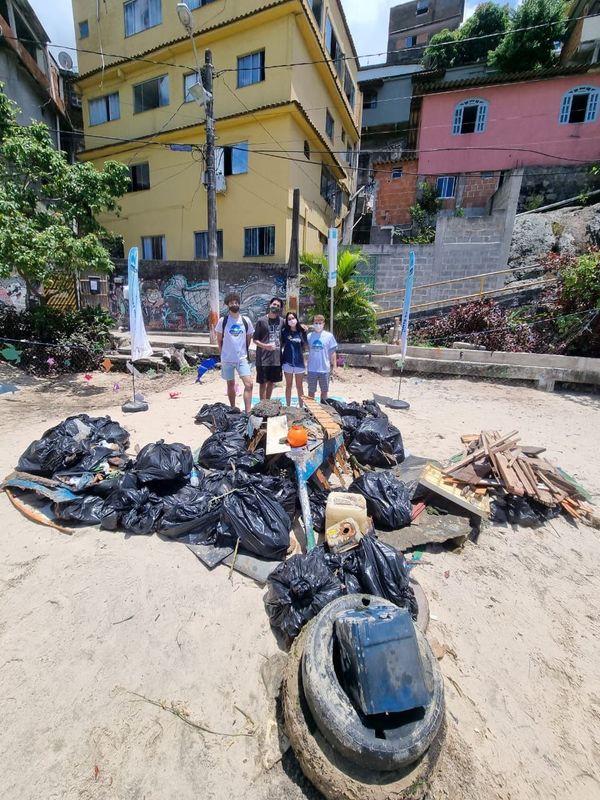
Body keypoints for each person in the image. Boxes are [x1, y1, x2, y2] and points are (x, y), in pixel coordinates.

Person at [215, 292, 254, 413]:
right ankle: (233, 408)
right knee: (230, 385)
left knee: (249, 384)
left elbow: (248, 338)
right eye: (232, 302)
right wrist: (223, 354)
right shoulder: (223, 321)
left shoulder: (245, 320)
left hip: (242, 359)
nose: (234, 304)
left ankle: (247, 412)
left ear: (239, 304)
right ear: (228, 305)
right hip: (227, 359)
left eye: (236, 302)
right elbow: (219, 339)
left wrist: (243, 351)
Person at [253, 297, 284, 400]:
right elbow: (255, 340)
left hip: (276, 359)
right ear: (270, 305)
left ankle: (268, 403)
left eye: (278, 306)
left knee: (271, 382)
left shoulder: (282, 321)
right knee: (263, 383)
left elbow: (293, 327)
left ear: (280, 309)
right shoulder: (261, 321)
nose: (275, 307)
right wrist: (265, 346)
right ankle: (262, 406)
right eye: (274, 304)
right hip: (263, 359)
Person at [307, 314, 338, 402]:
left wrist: (334, 366)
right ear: (313, 323)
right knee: (311, 391)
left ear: (323, 324)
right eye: (316, 323)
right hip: (312, 369)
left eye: (320, 323)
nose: (318, 325)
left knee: (324, 391)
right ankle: (311, 410)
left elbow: (333, 352)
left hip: (324, 369)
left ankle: (324, 408)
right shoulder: (309, 336)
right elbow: (306, 350)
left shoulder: (329, 336)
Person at [281, 311, 308, 407]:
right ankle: (288, 406)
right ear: (286, 321)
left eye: (293, 318)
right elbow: (281, 344)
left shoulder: (302, 332)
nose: (291, 320)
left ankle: (301, 407)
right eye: (289, 319)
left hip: (299, 363)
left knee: (299, 386)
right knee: (288, 386)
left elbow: (305, 347)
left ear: (296, 319)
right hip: (287, 363)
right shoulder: (284, 332)